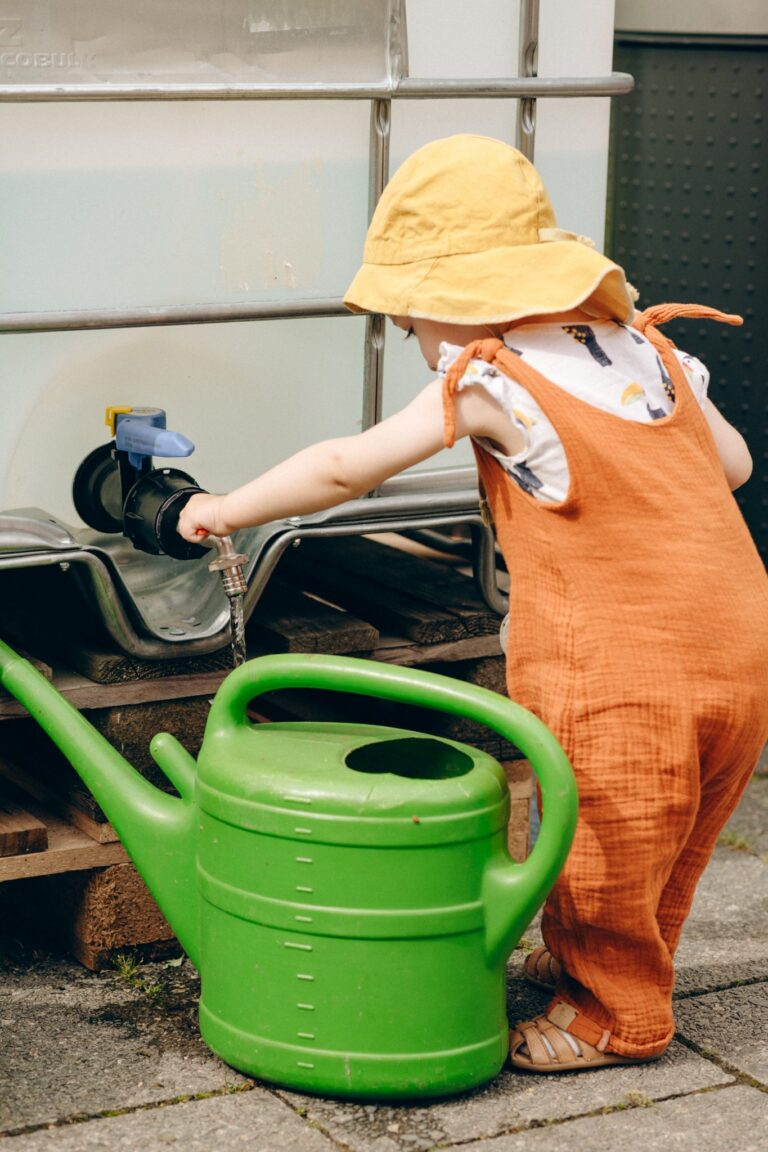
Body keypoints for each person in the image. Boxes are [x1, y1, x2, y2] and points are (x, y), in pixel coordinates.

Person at [178, 135, 768, 1073]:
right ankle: (599, 961)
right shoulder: (651, 349)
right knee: (664, 835)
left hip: (620, 665)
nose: (417, 340)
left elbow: (346, 467)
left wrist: (222, 508)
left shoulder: (495, 378)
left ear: (454, 304)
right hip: (740, 643)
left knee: (600, 837)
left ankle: (614, 1019)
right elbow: (731, 465)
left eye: (410, 319)